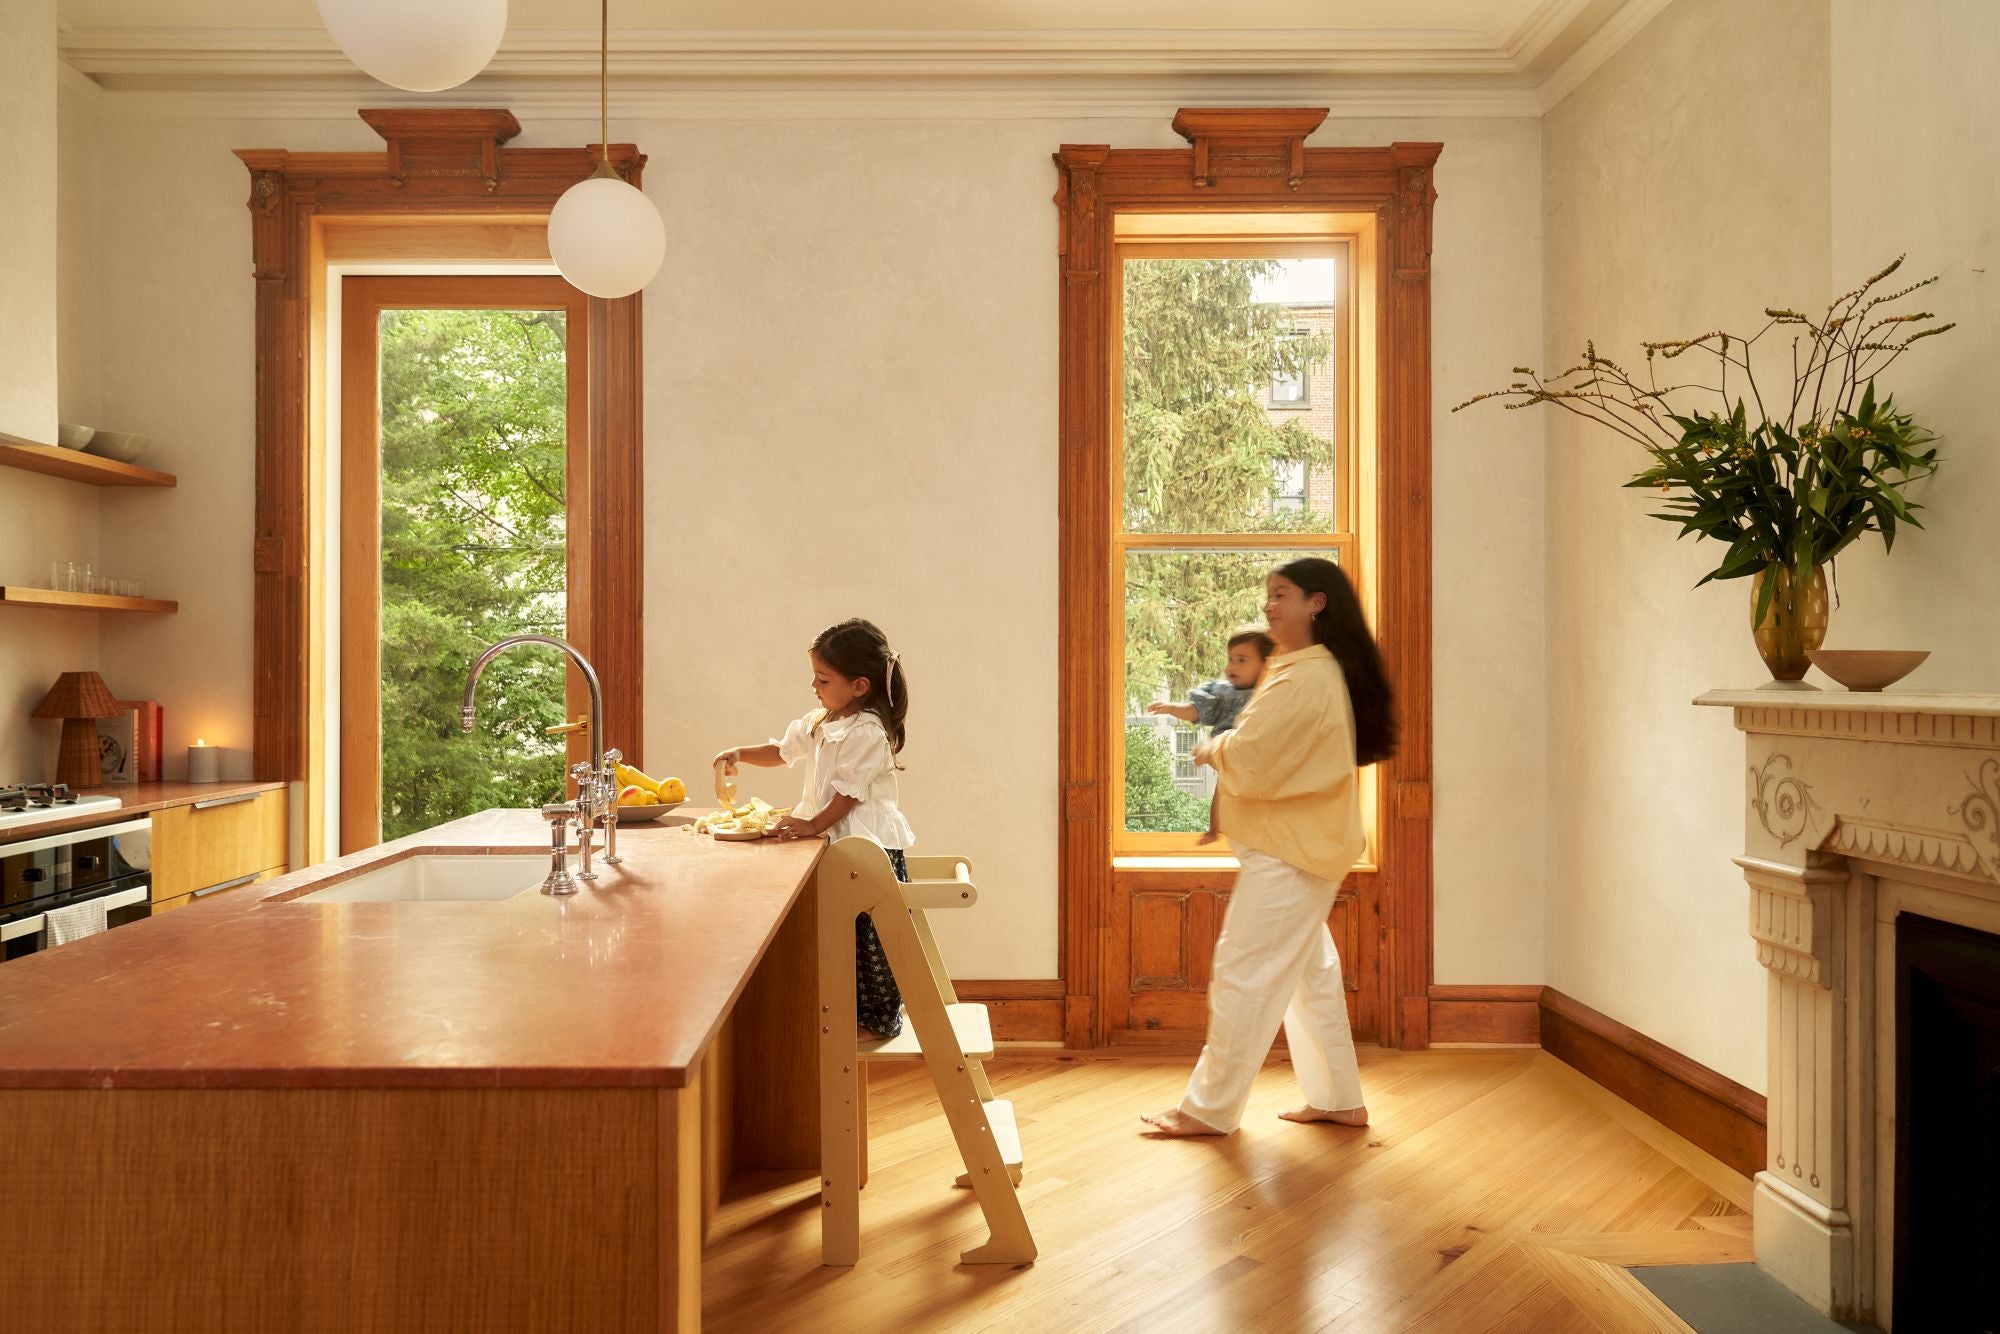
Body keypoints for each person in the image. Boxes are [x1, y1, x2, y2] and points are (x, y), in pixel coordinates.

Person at [1141, 557, 1397, 1137]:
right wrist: (1231, 743)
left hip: (1291, 854)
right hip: (1298, 847)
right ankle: (1339, 1100)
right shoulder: (1301, 666)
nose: (1268, 605)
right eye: (1267, 595)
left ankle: (1206, 1109)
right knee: (1310, 980)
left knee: (1243, 972)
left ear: (1316, 603)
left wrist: (1212, 748)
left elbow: (1255, 758)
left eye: (1280, 594)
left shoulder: (1307, 674)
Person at [714, 618, 915, 1039]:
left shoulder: (868, 732)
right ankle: (841, 1010)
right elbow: (781, 751)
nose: (814, 685)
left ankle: (878, 1020)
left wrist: (811, 825)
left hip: (868, 849)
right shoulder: (823, 721)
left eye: (823, 678)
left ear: (859, 686)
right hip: (837, 843)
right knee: (839, 930)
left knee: (871, 939)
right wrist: (739, 753)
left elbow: (849, 795)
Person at [1146, 626, 1274, 845]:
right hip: (1228, 754)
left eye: (1241, 660)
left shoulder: (1272, 691)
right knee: (1222, 791)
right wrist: (1172, 708)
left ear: (1265, 664)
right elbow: (1196, 709)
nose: (1231, 666)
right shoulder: (1224, 691)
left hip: (1258, 758)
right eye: (1231, 659)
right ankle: (1214, 830)